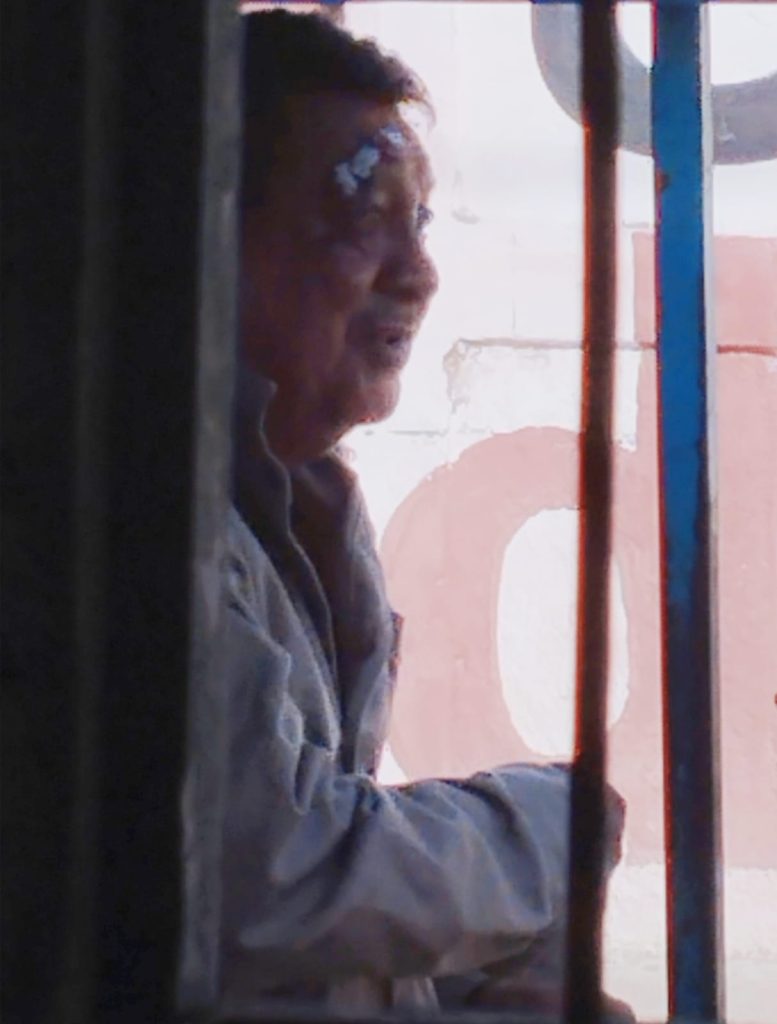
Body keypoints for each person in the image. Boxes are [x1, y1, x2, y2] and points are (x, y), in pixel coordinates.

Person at [220, 9, 630, 1018]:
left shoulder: (295, 499)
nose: (418, 273)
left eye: (422, 224)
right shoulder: (141, 522)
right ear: (215, 241)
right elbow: (277, 875)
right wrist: (544, 831)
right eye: (363, 217)